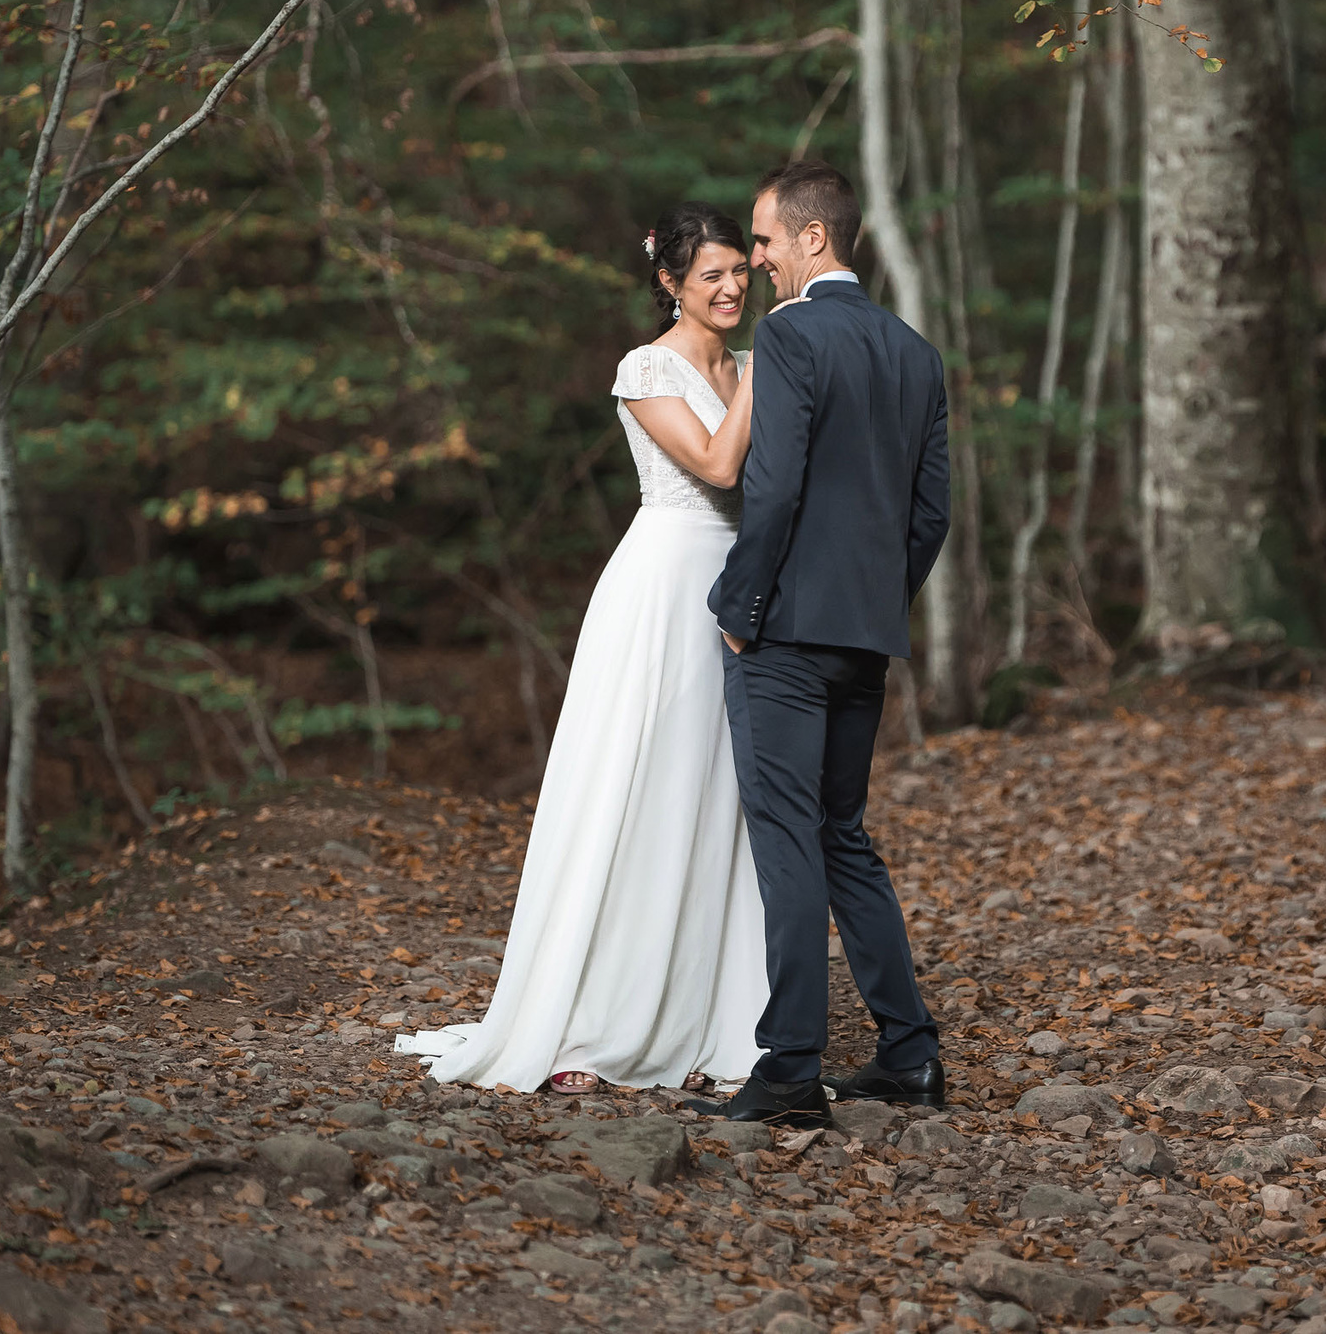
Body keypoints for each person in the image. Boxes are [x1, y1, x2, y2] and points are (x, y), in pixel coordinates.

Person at [395, 203, 768, 1095]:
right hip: (665, 591)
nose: (729, 288)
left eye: (738, 271)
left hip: (747, 587)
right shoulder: (647, 367)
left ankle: (715, 1017)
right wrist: (771, 371)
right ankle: (598, 1020)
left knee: (725, 797)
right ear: (671, 282)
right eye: (709, 274)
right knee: (644, 786)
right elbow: (718, 467)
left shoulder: (754, 362)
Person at [692, 160, 952, 1127]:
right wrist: (876, 603)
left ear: (813, 238)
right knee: (844, 837)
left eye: (763, 241)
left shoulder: (790, 333)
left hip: (786, 634)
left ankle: (792, 1067)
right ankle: (910, 1054)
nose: (754, 261)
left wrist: (741, 602)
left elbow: (777, 483)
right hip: (866, 637)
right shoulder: (915, 351)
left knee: (792, 845)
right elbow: (931, 515)